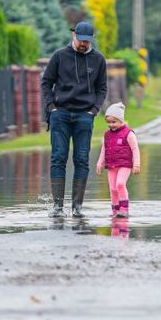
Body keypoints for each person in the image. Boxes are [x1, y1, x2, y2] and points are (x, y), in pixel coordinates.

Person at [41, 21, 107, 218]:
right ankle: (58, 207)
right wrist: (51, 108)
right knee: (58, 158)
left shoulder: (98, 60)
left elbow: (102, 88)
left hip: (84, 116)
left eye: (87, 41)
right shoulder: (59, 56)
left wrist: (93, 110)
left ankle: (77, 206)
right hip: (60, 114)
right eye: (80, 40)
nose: (83, 44)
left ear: (91, 41)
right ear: (73, 36)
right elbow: (46, 82)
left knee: (81, 160)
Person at [95, 102, 140, 218]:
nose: (111, 125)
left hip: (125, 165)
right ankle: (115, 211)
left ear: (121, 120)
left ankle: (124, 209)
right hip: (111, 165)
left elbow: (135, 149)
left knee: (120, 184)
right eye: (108, 122)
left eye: (114, 122)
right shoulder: (107, 135)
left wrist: (136, 164)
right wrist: (100, 163)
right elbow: (104, 149)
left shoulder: (129, 134)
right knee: (113, 189)